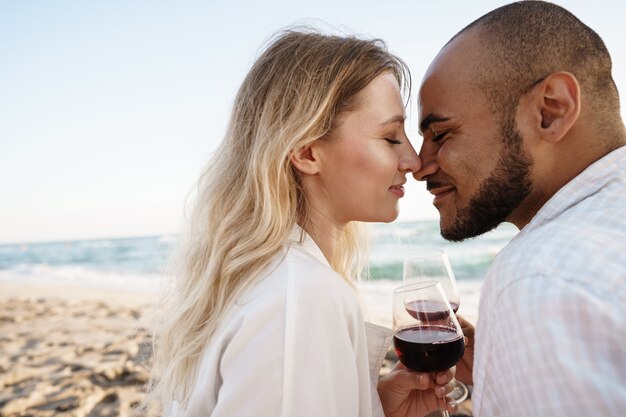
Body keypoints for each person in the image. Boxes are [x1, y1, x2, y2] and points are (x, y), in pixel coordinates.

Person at [145, 29, 458, 417]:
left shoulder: (267, 279)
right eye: (391, 137)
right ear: (307, 153)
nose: (413, 161)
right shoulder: (302, 297)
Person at [409, 1, 626, 416]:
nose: (420, 165)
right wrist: (500, 374)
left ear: (551, 111)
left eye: (440, 133)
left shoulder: (540, 279)